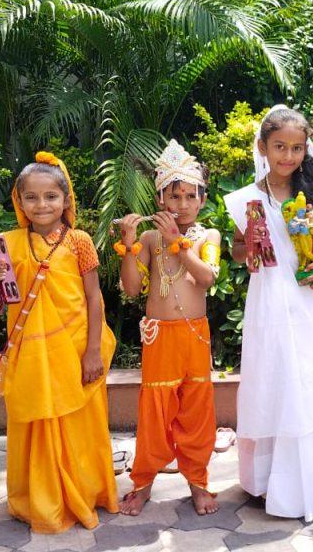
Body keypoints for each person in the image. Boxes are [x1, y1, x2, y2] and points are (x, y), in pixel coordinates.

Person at [224, 105, 313, 521]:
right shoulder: (247, 200)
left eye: (296, 148)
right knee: (277, 384)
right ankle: (269, 483)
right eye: (279, 146)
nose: (288, 156)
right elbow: (236, 248)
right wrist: (251, 249)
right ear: (263, 147)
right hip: (272, 304)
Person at [0, 151, 118, 533]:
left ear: (66, 200)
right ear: (19, 201)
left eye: (50, 197)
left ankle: (87, 491)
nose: (41, 205)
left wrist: (93, 350)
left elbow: (94, 298)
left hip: (77, 348)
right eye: (31, 197)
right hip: (32, 353)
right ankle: (40, 499)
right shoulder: (6, 245)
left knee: (82, 425)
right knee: (35, 422)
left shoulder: (79, 241)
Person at [116, 139, 221, 516]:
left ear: (202, 199)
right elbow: (131, 289)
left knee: (196, 411)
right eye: (174, 197)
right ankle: (142, 483)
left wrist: (180, 244)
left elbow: (207, 279)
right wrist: (129, 247)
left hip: (194, 334)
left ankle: (197, 482)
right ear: (160, 199)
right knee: (155, 412)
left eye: (190, 196)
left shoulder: (207, 237)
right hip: (158, 336)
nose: (182, 205)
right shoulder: (148, 238)